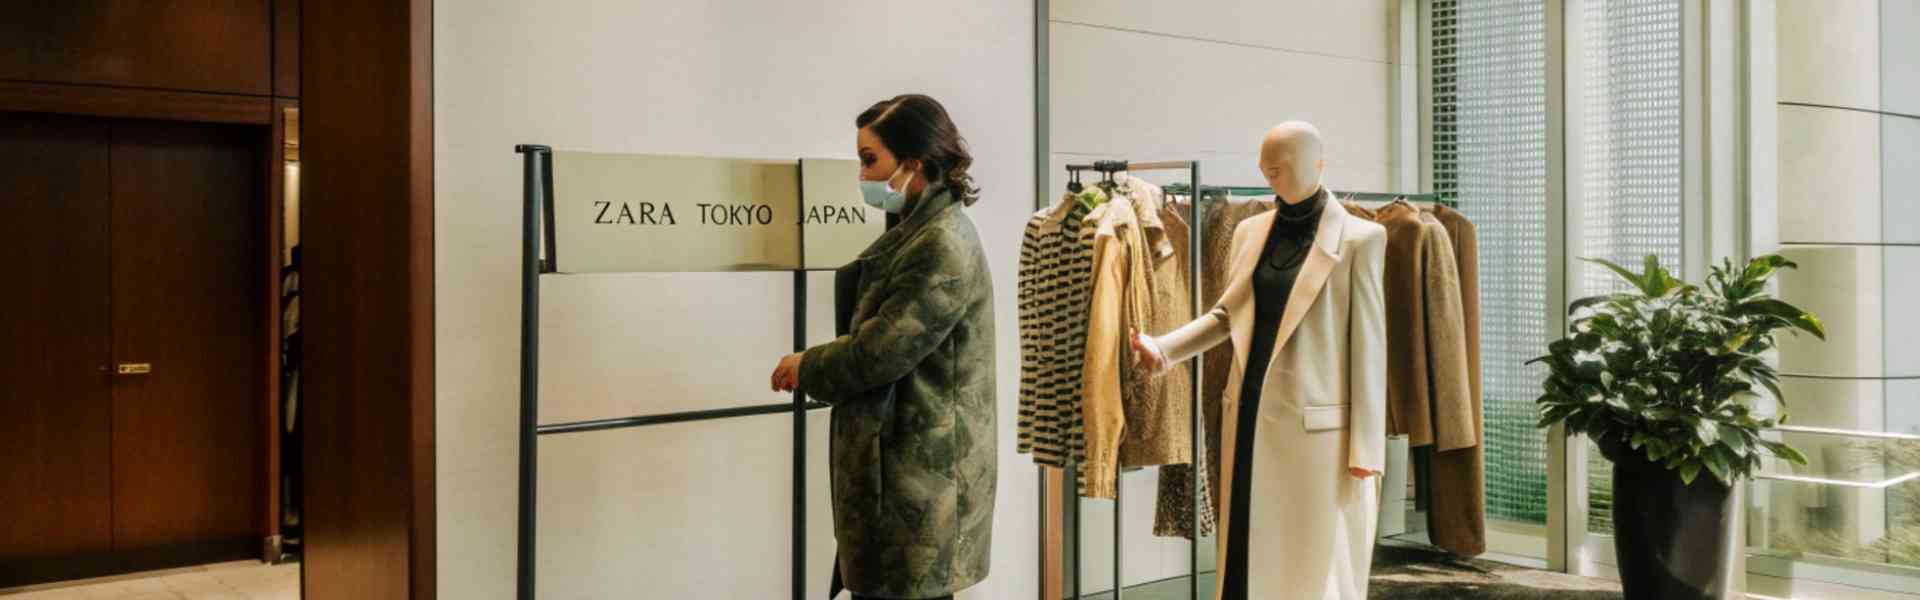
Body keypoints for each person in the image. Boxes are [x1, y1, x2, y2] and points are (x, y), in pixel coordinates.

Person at [1130, 121, 1388, 599]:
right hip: (1248, 412)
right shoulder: (1250, 232)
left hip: (1319, 432)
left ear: (1318, 164)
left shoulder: (1361, 239)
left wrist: (1368, 447)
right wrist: (1165, 349)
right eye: (1267, 168)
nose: (1273, 176)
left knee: (1310, 562)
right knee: (1247, 549)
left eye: (1283, 166)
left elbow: (1370, 345)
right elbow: (1227, 314)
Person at [769, 94, 997, 600]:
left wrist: (807, 365)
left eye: (870, 159)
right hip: (905, 476)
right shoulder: (918, 232)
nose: (862, 174)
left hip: (918, 484)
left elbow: (880, 352)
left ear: (912, 164)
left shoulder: (939, 244)